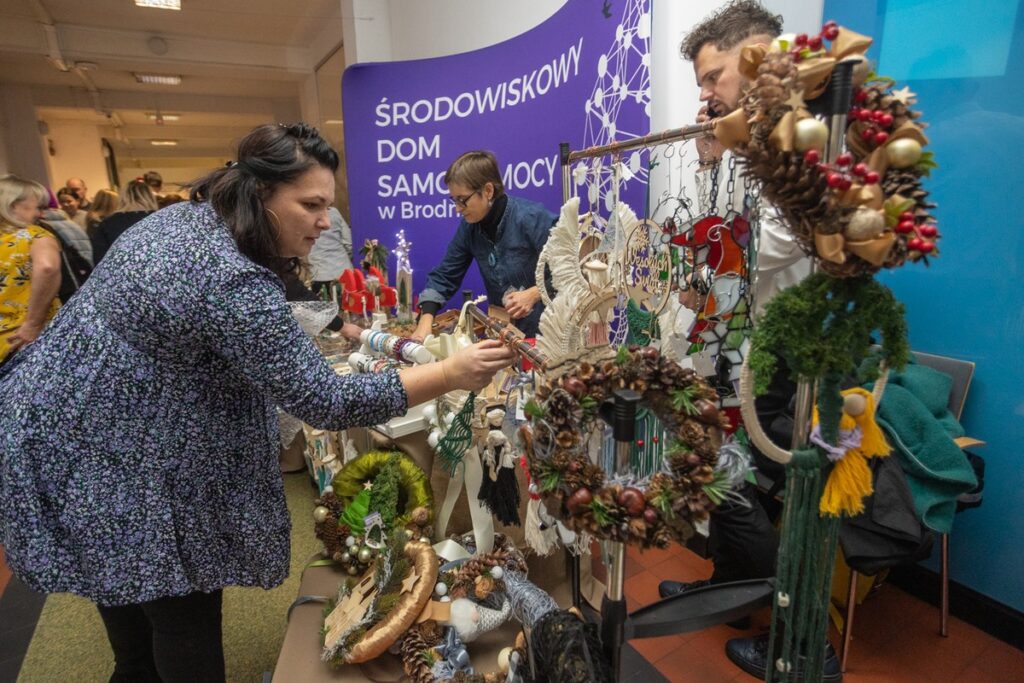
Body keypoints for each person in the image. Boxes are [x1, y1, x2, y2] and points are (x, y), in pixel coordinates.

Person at [0, 123, 515, 682]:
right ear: (258, 196)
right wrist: (448, 372)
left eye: (328, 205)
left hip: (71, 430)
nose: (325, 220)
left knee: (127, 605)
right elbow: (326, 399)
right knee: (180, 608)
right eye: (311, 204)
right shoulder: (230, 279)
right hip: (117, 459)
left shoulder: (181, 221)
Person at [657, 2, 839, 680]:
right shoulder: (749, 138)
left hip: (783, 354)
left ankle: (804, 642)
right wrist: (712, 163)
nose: (705, 95)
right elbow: (717, 232)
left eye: (713, 76)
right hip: (737, 341)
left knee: (741, 485)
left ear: (758, 57)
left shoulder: (803, 130)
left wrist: (699, 276)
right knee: (714, 463)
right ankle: (726, 592)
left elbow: (776, 240)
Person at [412, 151, 555, 341]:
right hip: (506, 336)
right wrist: (425, 321)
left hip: (549, 336)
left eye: (462, 199)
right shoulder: (469, 227)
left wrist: (534, 294)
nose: (457, 208)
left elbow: (574, 270)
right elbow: (445, 275)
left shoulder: (533, 218)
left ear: (488, 191)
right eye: (454, 200)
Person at [0, 175, 62, 365]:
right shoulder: (34, 236)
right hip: (25, 340)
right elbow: (47, 267)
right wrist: (33, 324)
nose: (41, 214)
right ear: (12, 206)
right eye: (38, 207)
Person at [90, 178, 159, 264]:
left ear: (122, 197)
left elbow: (99, 259)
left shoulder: (108, 223)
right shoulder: (161, 220)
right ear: (150, 196)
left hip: (120, 273)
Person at [307, 206, 354, 297]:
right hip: (344, 271)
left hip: (319, 274)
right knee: (349, 307)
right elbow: (348, 242)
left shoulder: (304, 215)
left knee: (325, 308)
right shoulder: (334, 212)